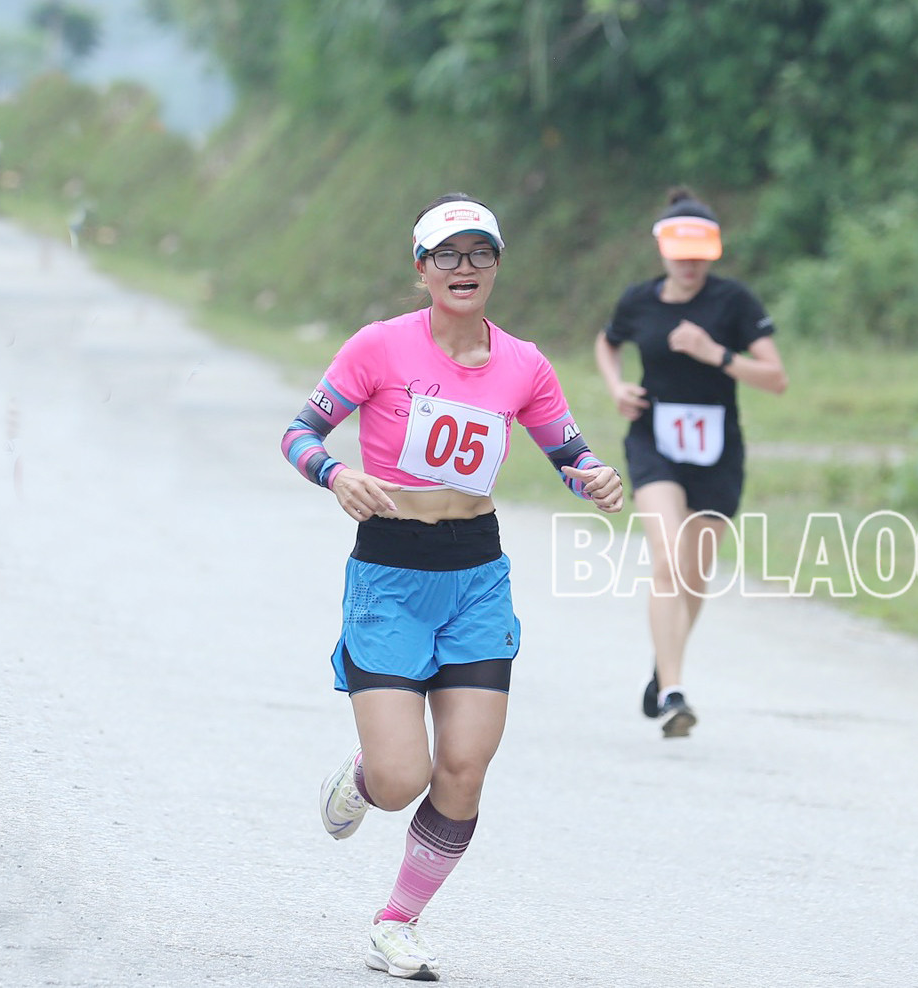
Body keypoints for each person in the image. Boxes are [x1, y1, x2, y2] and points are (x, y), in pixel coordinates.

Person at [282, 193, 623, 981]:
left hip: (476, 575)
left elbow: (567, 453)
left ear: (497, 266)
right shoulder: (378, 348)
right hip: (391, 574)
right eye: (448, 255)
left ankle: (397, 922)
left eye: (480, 254)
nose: (464, 268)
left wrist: (594, 477)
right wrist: (338, 475)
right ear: (422, 270)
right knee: (403, 778)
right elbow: (299, 433)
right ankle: (366, 776)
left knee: (464, 767)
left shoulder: (524, 363)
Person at [593, 187, 787, 738]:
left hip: (717, 452)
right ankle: (675, 693)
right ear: (663, 251)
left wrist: (716, 354)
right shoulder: (639, 301)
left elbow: (777, 378)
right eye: (680, 252)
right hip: (653, 440)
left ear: (713, 252)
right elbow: (607, 344)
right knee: (668, 561)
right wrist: (616, 387)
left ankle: (663, 669)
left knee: (695, 575)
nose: (689, 263)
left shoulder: (735, 303)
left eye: (700, 253)